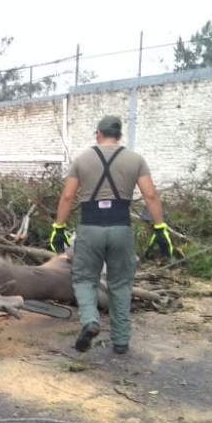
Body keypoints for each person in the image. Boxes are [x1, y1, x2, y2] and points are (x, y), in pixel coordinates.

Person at [49, 115, 173, 355]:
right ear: (119, 136)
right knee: (120, 284)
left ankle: (90, 321)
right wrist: (160, 228)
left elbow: (67, 197)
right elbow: (151, 195)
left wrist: (58, 227)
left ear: (98, 134)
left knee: (85, 279)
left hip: (90, 228)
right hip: (121, 228)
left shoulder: (82, 159)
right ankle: (121, 341)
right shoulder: (135, 160)